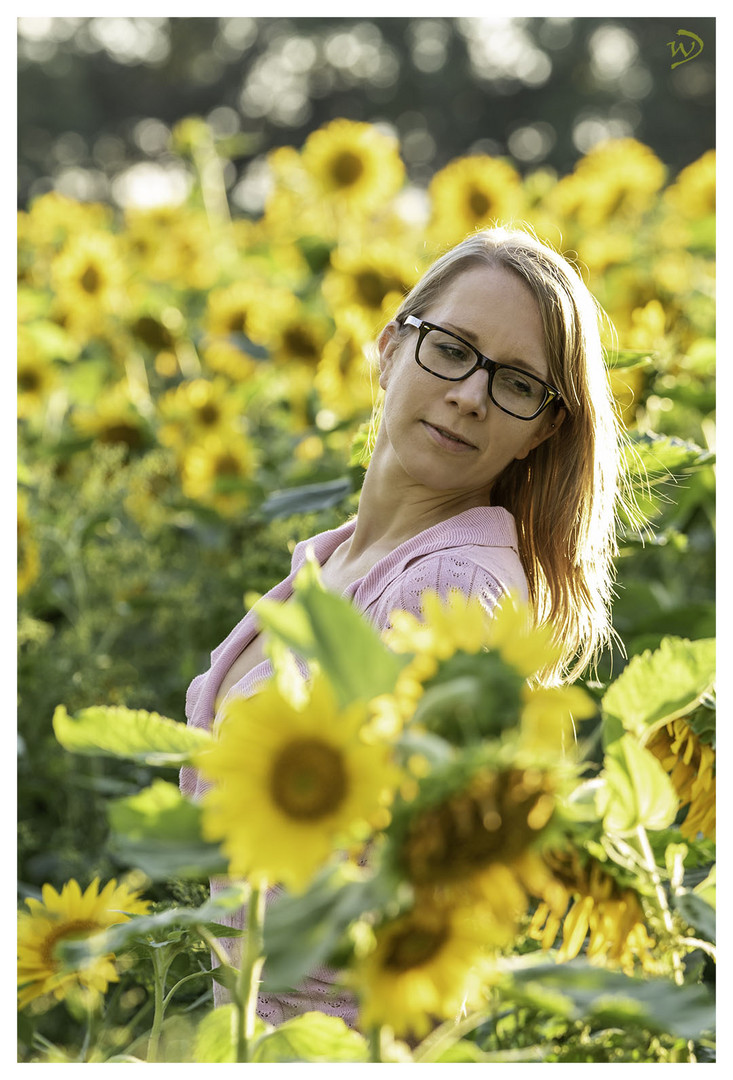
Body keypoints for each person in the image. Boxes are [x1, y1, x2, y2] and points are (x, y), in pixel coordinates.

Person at [179, 224, 627, 1024]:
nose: (469, 394)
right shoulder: (333, 564)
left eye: (517, 383)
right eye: (451, 348)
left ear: (542, 428)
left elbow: (405, 886)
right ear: (388, 347)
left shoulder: (450, 589)